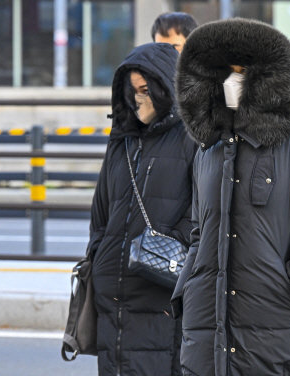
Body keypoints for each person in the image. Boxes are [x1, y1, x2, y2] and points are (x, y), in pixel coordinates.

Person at [171, 19, 290, 375]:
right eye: (223, 72)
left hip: (278, 326)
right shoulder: (208, 150)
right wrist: (188, 287)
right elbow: (199, 230)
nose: (232, 81)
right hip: (208, 325)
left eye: (241, 71)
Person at [88, 42, 197, 375]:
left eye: (146, 90)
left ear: (167, 88)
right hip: (114, 297)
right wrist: (99, 260)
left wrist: (165, 252)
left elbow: (202, 212)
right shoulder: (122, 137)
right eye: (131, 90)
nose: (138, 99)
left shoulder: (191, 136)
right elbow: (101, 212)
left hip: (159, 292)